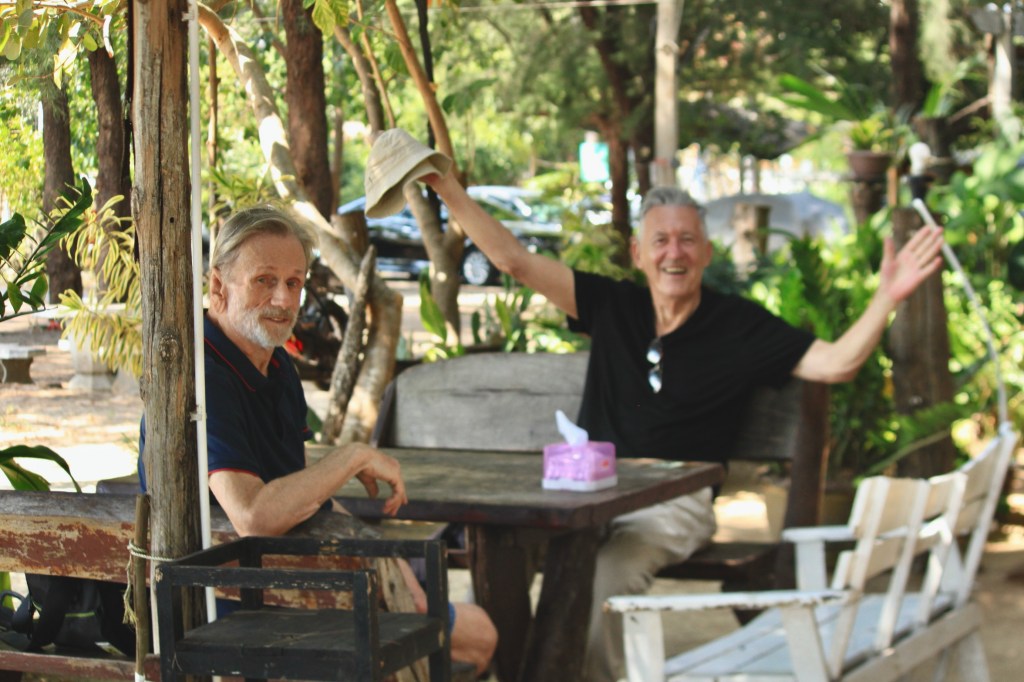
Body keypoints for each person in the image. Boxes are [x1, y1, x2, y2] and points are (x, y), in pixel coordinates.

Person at [419, 174, 944, 682]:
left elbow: (836, 363)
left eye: (688, 240)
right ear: (638, 253)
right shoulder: (611, 304)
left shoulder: (739, 325)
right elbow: (512, 260)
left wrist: (887, 296)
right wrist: (445, 187)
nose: (675, 253)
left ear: (707, 252)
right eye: (661, 240)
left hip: (675, 504)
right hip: (587, 493)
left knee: (604, 582)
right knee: (499, 562)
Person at [139, 205, 497, 676]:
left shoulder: (277, 365)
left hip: (284, 588)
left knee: (457, 626)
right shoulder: (202, 375)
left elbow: (301, 495)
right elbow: (255, 516)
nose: (284, 300)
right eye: (264, 280)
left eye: (294, 282)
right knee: (474, 637)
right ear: (218, 287)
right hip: (228, 612)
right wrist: (352, 457)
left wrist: (389, 564)